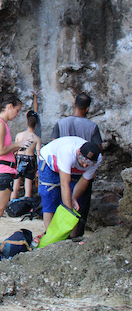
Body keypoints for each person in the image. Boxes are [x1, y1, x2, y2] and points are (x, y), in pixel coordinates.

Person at [0, 94, 31, 259]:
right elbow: (0, 150)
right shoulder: (0, 124)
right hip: (2, 173)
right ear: (9, 106)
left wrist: (15, 148)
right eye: (17, 110)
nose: (17, 114)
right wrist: (18, 144)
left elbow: (1, 150)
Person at [51, 93, 103, 237]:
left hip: (64, 169)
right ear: (87, 109)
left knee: (59, 201)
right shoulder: (93, 127)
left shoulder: (61, 123)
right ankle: (76, 235)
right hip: (83, 173)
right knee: (81, 205)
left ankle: (58, 234)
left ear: (74, 104)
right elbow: (98, 149)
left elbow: (54, 145)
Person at [38, 137, 102, 231]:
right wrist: (68, 213)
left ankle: (71, 237)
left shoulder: (98, 158)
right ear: (78, 152)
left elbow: (84, 180)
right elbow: (65, 184)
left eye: (89, 163)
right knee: (50, 196)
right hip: (50, 161)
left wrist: (74, 198)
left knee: (75, 203)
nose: (85, 165)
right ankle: (50, 233)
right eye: (84, 161)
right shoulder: (67, 152)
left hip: (74, 168)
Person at [12, 111, 41, 199]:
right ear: (36, 125)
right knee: (28, 185)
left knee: (15, 185)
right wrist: (39, 168)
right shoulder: (37, 139)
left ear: (27, 123)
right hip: (30, 159)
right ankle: (26, 205)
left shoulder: (19, 135)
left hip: (19, 158)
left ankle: (11, 205)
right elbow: (38, 154)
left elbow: (15, 150)